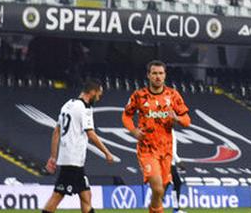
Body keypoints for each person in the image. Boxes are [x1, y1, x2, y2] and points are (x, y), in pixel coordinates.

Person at [123, 61, 191, 213]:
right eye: (154, 73)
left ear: (165, 75)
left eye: (161, 73)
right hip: (147, 149)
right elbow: (126, 116)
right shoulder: (139, 96)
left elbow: (187, 120)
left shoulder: (173, 95)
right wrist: (133, 131)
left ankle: (153, 209)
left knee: (161, 191)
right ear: (148, 75)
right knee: (158, 188)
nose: (158, 77)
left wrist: (177, 119)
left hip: (166, 151)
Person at [43, 80, 115, 213]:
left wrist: (53, 156)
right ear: (92, 92)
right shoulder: (84, 108)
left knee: (86, 195)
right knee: (58, 195)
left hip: (71, 160)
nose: (99, 98)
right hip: (73, 160)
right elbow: (91, 134)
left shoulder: (67, 105)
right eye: (99, 94)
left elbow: (56, 132)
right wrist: (107, 153)